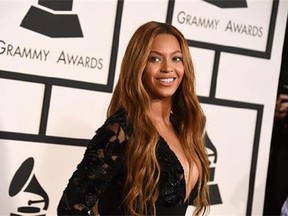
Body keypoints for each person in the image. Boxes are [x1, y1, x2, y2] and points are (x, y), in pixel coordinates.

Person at [57, 21, 210, 216]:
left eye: (176, 58)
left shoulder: (184, 129)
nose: (167, 68)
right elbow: (70, 209)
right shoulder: (121, 131)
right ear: (138, 65)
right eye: (154, 59)